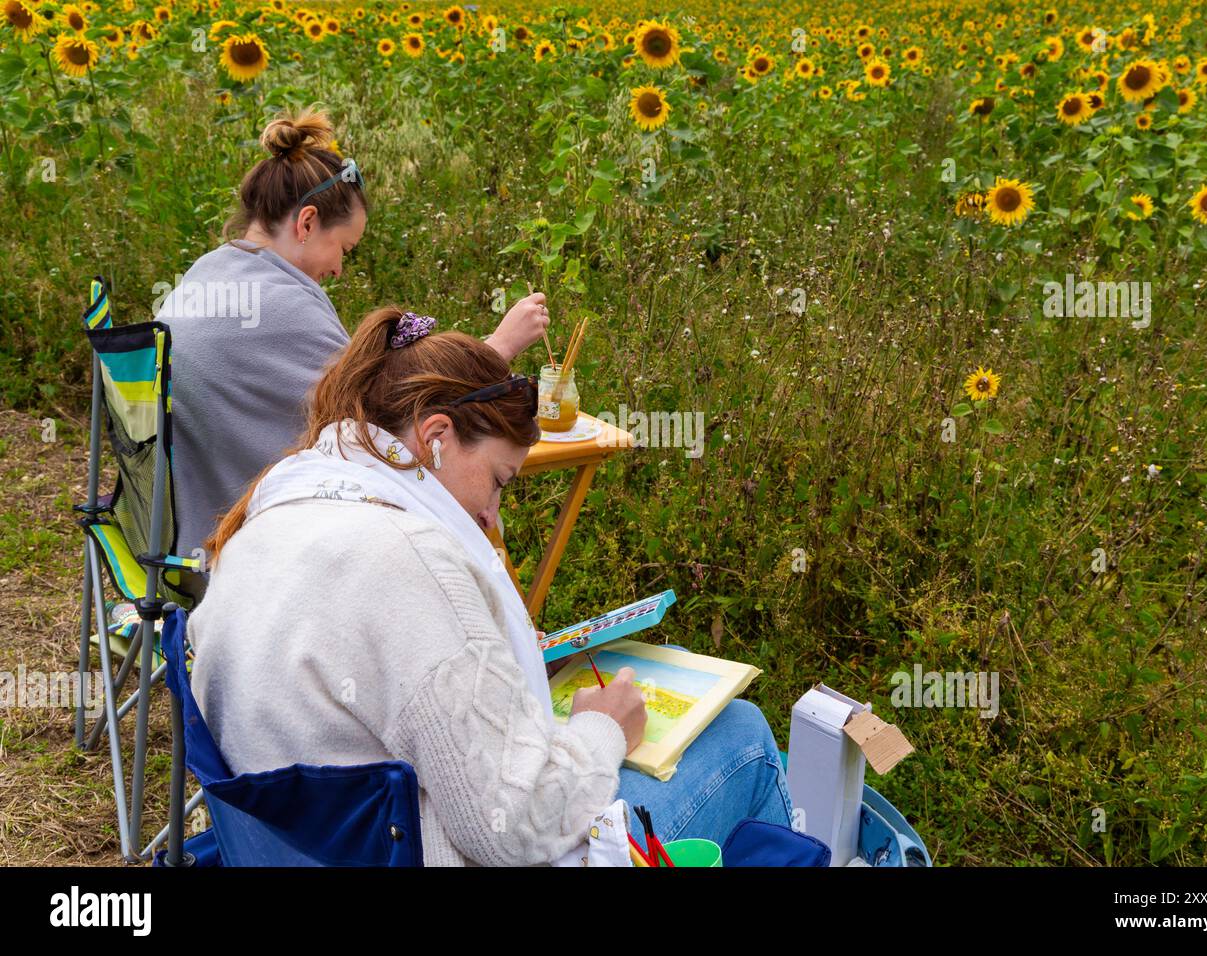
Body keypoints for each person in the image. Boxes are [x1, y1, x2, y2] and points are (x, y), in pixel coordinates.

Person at [188, 305, 792, 866]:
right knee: (743, 735)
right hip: (423, 851)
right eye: (499, 481)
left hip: (303, 846)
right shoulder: (411, 559)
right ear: (436, 437)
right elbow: (516, 826)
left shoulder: (277, 507)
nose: (493, 518)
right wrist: (602, 729)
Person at [157, 107, 550, 563]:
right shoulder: (283, 306)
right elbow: (385, 413)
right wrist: (499, 348)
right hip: (245, 549)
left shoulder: (206, 275)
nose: (340, 268)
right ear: (306, 224)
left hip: (172, 543)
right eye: (344, 248)